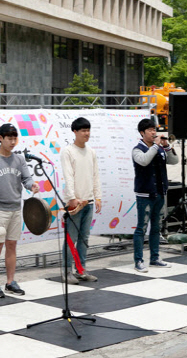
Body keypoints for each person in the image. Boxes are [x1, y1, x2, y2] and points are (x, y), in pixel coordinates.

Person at [0, 123, 39, 298]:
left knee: (12, 245)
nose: (13, 141)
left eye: (15, 138)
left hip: (16, 208)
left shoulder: (19, 159)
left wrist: (32, 185)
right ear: (0, 138)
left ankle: (10, 281)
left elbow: (26, 178)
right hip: (0, 209)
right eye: (9, 138)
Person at [132, 118, 179, 272]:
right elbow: (144, 161)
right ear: (142, 133)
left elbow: (174, 161)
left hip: (159, 193)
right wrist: (156, 146)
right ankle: (138, 260)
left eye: (155, 130)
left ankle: (155, 258)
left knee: (156, 228)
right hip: (144, 194)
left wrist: (168, 147)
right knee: (141, 228)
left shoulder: (159, 148)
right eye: (150, 130)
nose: (154, 133)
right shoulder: (137, 150)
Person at [60, 117, 102, 284]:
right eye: (83, 130)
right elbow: (68, 175)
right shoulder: (68, 151)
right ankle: (66, 271)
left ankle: (81, 269)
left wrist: (97, 196)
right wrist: (71, 198)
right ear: (75, 132)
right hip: (75, 203)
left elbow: (95, 175)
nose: (87, 133)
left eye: (88, 130)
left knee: (84, 238)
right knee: (71, 238)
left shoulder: (91, 152)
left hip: (89, 202)